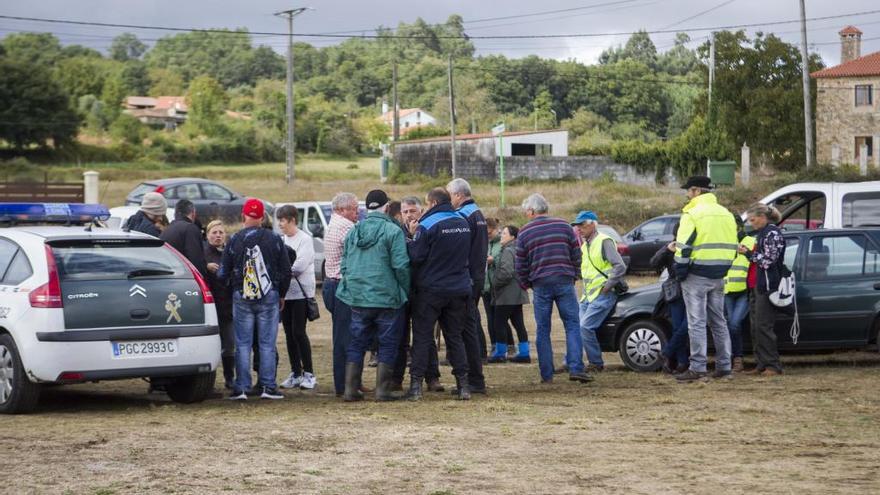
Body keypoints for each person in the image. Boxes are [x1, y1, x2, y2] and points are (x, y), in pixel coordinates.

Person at [336, 190, 411, 402]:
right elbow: (401, 265)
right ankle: (382, 391)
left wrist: (351, 286)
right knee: (387, 343)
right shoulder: (393, 231)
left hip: (358, 297)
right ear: (386, 207)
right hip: (387, 297)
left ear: (365, 208)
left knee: (357, 343)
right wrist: (403, 290)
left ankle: (350, 389)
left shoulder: (353, 231)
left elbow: (345, 264)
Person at [515, 193, 592, 384]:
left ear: (532, 211)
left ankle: (546, 375)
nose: (526, 215)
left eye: (527, 212)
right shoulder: (565, 226)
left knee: (543, 329)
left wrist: (526, 284)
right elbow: (577, 254)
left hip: (540, 284)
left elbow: (520, 264)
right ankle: (576, 368)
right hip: (564, 280)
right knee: (572, 325)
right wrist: (573, 274)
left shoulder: (524, 232)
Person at [219, 198, 291, 400]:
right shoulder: (275, 239)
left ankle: (241, 387)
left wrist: (232, 288)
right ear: (262, 217)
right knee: (267, 343)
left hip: (241, 295)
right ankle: (268, 386)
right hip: (269, 295)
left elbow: (223, 272)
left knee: (242, 344)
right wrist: (281, 294)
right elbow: (286, 271)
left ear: (243, 216)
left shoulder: (234, 240)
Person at [406, 188, 474, 401]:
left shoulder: (427, 225)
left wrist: (411, 237)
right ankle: (463, 385)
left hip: (431, 290)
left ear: (433, 203)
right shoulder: (463, 222)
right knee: (455, 337)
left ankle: (416, 386)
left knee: (423, 337)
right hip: (459, 288)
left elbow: (416, 257)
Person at [673, 176, 738, 382]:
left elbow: (682, 248)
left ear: (696, 191)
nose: (687, 195)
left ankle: (698, 367)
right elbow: (733, 245)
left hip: (696, 274)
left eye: (688, 191)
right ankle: (724, 366)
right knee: (719, 321)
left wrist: (680, 272)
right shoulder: (726, 213)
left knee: (697, 322)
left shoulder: (691, 213)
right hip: (719, 274)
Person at [392, 196, 445, 392]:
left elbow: (423, 258)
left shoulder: (427, 229)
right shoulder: (396, 232)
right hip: (403, 291)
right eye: (405, 212)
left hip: (424, 290)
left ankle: (432, 377)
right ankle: (396, 378)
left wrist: (414, 239)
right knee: (400, 336)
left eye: (412, 211)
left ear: (420, 212)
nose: (408, 215)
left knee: (425, 337)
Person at [447, 178, 488, 394]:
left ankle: (472, 379)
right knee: (470, 327)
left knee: (464, 330)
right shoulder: (478, 213)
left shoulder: (463, 215)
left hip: (466, 279)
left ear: (458, 196)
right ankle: (475, 378)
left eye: (449, 195)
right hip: (478, 276)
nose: (448, 200)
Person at [573, 211, 627, 373]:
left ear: (592, 224)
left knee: (584, 327)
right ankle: (571, 361)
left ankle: (596, 363)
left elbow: (620, 266)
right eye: (577, 226)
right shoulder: (585, 245)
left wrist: (608, 285)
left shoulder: (604, 241)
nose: (579, 229)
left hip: (603, 295)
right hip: (589, 295)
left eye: (582, 225)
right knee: (577, 328)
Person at [275, 205, 318, 391]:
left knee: (299, 332)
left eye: (283, 220)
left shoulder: (305, 239)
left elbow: (299, 265)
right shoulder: (282, 240)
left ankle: (309, 373)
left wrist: (283, 272)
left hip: (301, 293)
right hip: (286, 294)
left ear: (292, 220)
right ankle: (295, 372)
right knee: (289, 334)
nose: (280, 224)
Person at [740, 203, 785, 376]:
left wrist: (749, 254)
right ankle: (761, 363)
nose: (751, 223)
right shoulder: (762, 234)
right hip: (756, 285)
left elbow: (769, 260)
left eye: (752, 220)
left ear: (762, 217)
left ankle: (772, 365)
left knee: (764, 327)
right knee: (755, 327)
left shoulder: (772, 233)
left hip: (767, 287)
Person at [322, 192, 359, 397]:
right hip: (341, 286)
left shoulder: (334, 223)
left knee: (345, 335)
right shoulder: (346, 227)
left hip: (332, 285)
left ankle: (350, 382)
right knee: (345, 337)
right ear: (341, 209)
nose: (357, 212)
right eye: (354, 208)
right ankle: (344, 384)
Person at [651, 223, 689, 374]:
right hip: (676, 293)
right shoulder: (671, 246)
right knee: (678, 326)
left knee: (688, 325)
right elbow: (654, 263)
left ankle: (666, 352)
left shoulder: (693, 246)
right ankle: (682, 362)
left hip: (693, 289)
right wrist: (667, 251)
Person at [492, 225, 531, 364]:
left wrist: (495, 283)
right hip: (517, 293)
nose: (501, 235)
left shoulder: (508, 251)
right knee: (518, 323)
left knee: (499, 322)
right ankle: (525, 352)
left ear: (512, 237)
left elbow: (506, 272)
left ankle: (500, 353)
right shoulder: (517, 249)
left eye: (504, 233)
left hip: (507, 294)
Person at [204, 220, 235, 389]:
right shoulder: (202, 254)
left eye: (221, 233)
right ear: (208, 235)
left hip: (228, 307)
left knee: (229, 345)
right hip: (210, 308)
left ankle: (229, 377)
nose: (218, 236)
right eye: (214, 233)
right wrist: (205, 266)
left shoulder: (230, 252)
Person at [724, 216, 756, 373]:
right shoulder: (725, 242)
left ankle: (738, 359)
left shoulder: (750, 241)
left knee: (734, 324)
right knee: (730, 326)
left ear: (738, 227)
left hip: (743, 291)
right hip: (727, 291)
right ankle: (732, 358)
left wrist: (747, 252)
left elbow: (756, 263)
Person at [485, 218, 513, 362]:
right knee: (491, 318)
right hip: (486, 286)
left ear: (496, 229)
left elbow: (503, 261)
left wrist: (492, 260)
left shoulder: (503, 243)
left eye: (490, 233)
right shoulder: (485, 242)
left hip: (498, 286)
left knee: (500, 319)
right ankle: (495, 345)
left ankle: (507, 345)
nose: (488, 235)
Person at [160, 199, 208, 278]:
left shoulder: (167, 229)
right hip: (185, 279)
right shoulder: (190, 229)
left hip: (169, 277)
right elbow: (196, 261)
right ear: (193, 214)